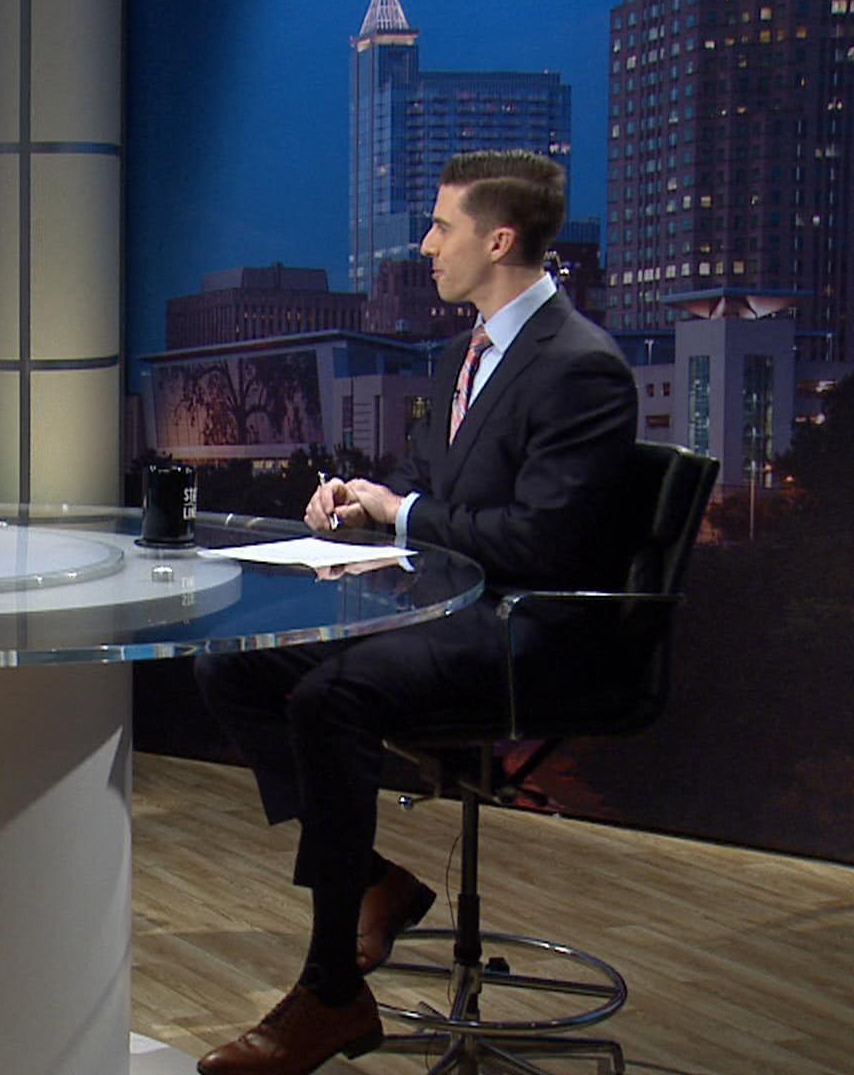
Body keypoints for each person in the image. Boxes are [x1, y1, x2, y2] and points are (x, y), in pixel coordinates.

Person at [191, 151, 638, 1075]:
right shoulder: (462, 354)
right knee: (231, 662)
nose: (426, 246)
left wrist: (405, 513)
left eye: (441, 227)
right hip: (453, 612)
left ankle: (330, 993)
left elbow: (544, 544)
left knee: (332, 698)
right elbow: (431, 487)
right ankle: (373, 880)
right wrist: (365, 505)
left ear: (499, 240)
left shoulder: (581, 367)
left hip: (534, 633)